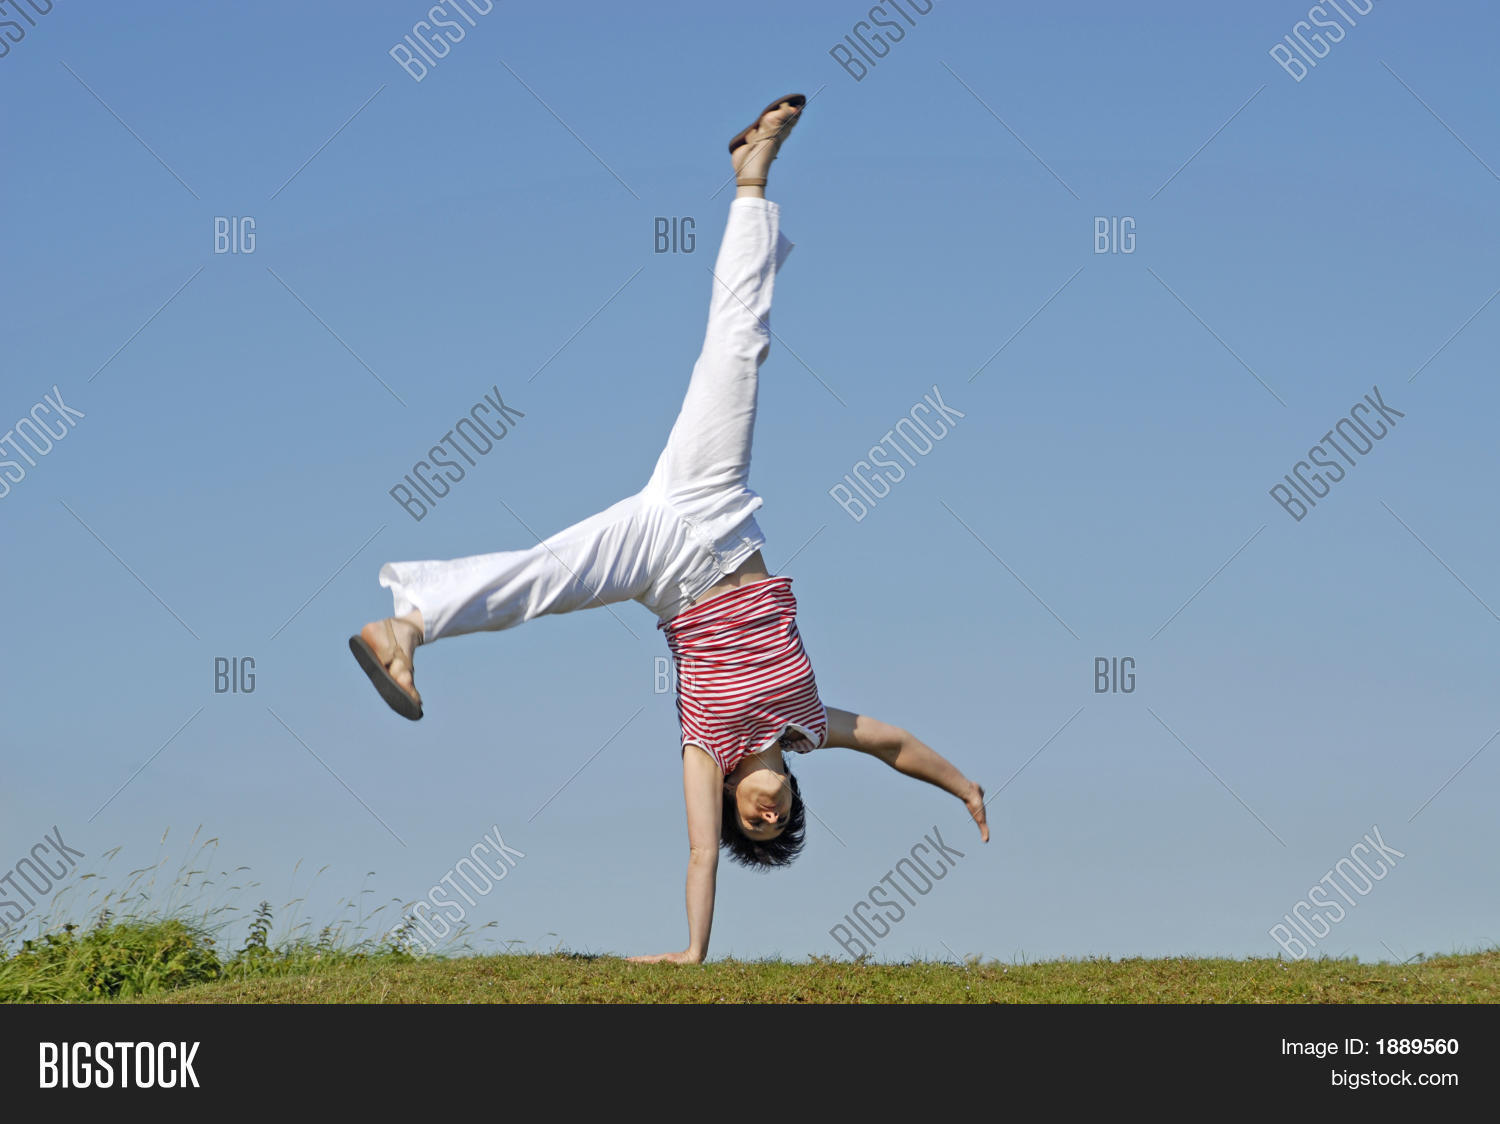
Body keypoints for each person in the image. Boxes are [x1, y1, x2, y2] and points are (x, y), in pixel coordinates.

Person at [350, 94, 989, 963]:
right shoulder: (808, 722)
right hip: (716, 513)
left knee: (544, 579)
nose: (763, 818)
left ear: (732, 802)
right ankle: (751, 179)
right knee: (739, 346)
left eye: (751, 827)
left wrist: (693, 952)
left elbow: (697, 855)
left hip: (666, 569)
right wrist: (964, 787)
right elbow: (897, 745)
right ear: (796, 796)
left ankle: (406, 624)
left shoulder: (706, 748)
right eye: (780, 820)